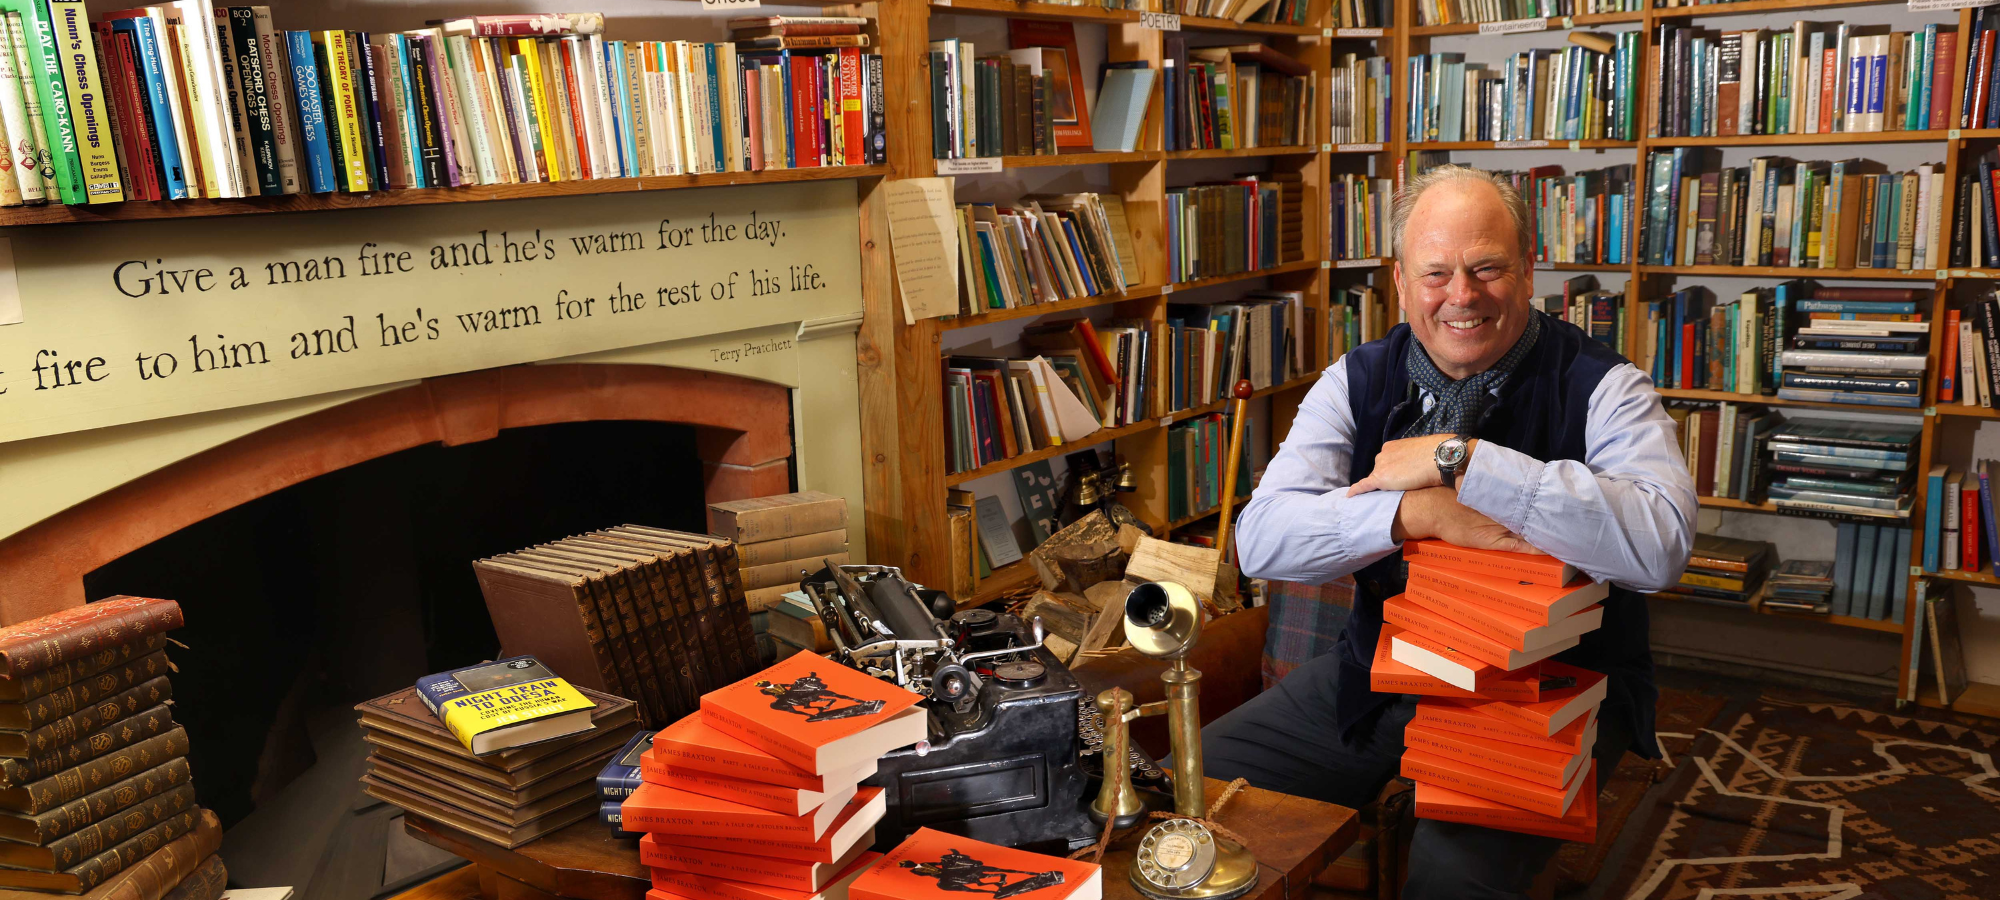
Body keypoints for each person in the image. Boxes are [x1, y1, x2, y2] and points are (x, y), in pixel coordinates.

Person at [1202, 165, 1696, 899]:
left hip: (1548, 696)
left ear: (1528, 271)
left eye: (1486, 268)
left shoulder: (1605, 384)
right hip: (1375, 676)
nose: (1461, 296)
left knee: (1450, 881)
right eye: (1436, 273)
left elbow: (1661, 546)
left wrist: (1461, 461)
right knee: (1194, 786)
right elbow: (1262, 539)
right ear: (1401, 280)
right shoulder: (1354, 378)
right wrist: (1415, 513)